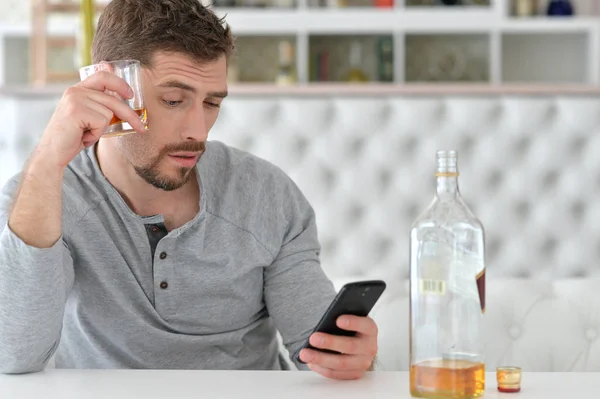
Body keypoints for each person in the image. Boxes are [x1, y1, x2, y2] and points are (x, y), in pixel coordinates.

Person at [0, 0, 379, 380]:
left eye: (212, 102)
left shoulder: (267, 193)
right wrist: (50, 156)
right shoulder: (40, 196)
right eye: (174, 100)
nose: (198, 130)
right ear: (111, 88)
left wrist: (347, 356)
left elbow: (316, 352)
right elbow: (12, 354)